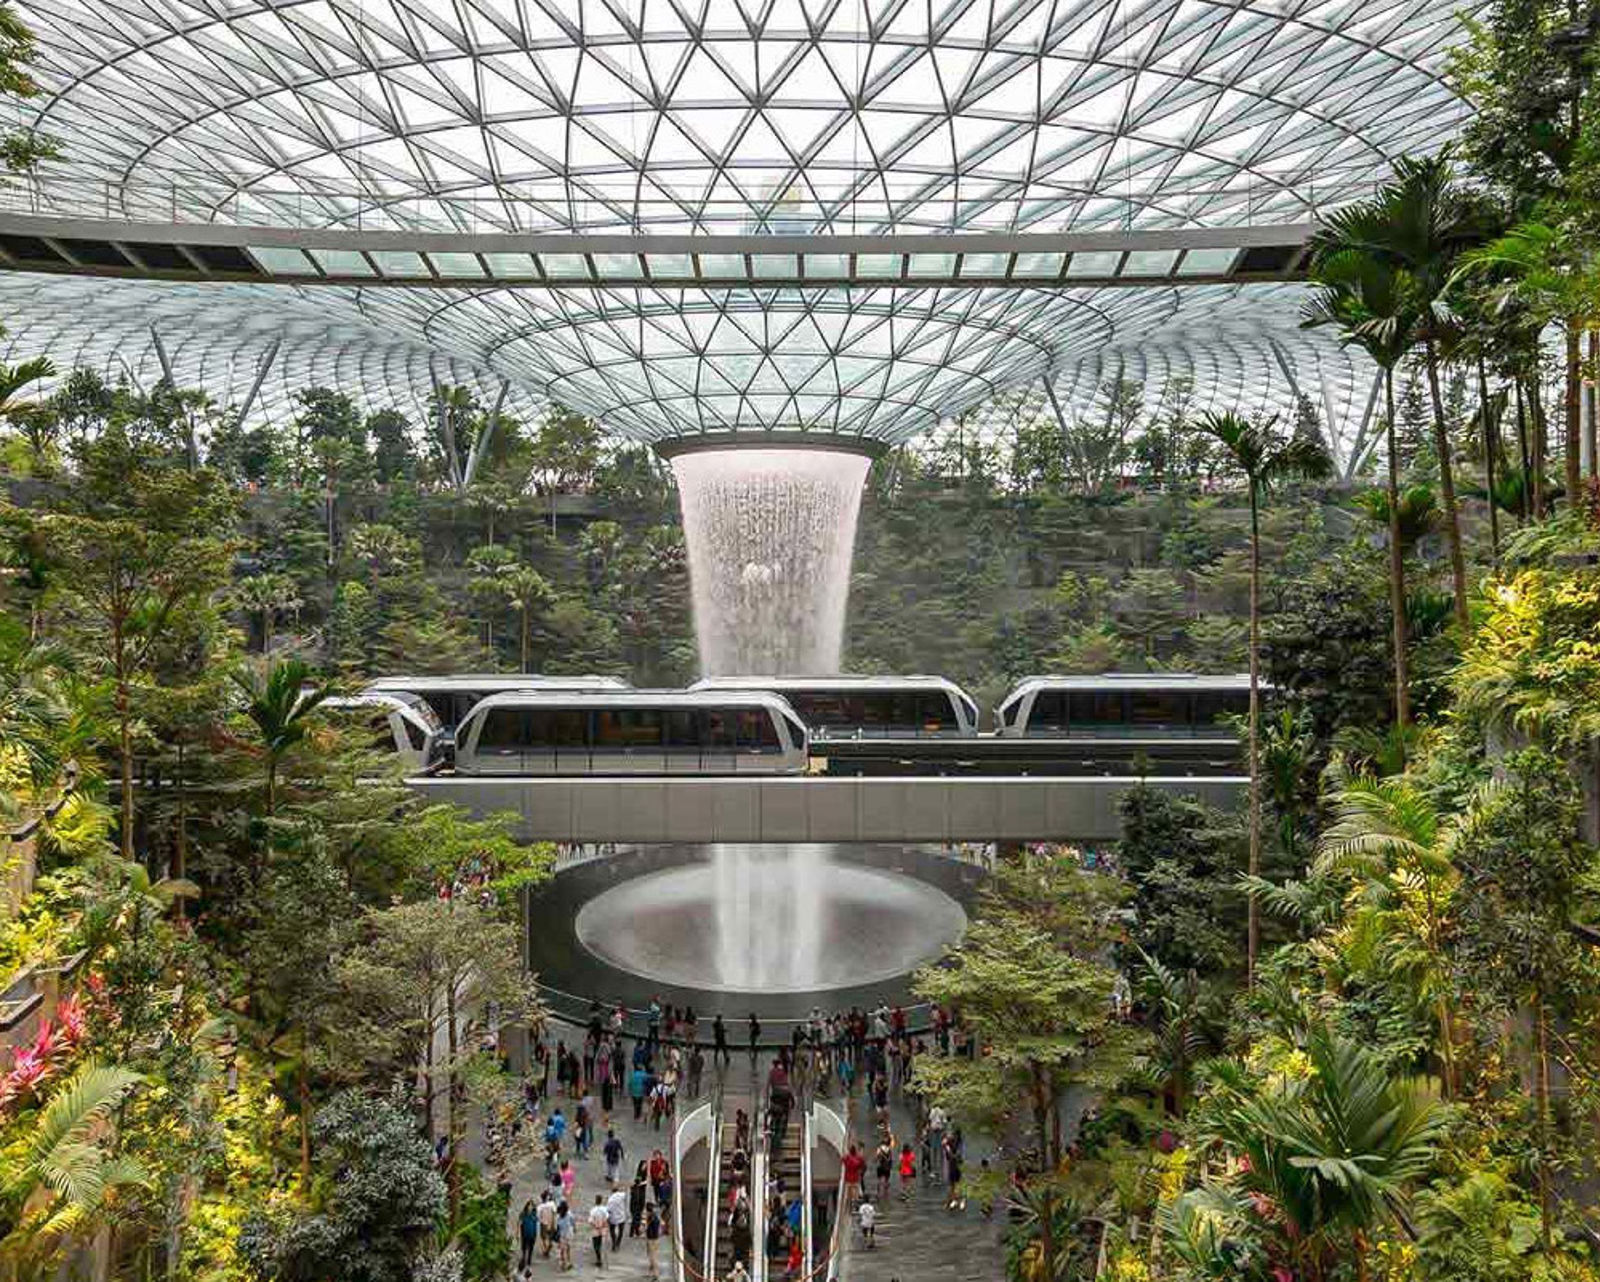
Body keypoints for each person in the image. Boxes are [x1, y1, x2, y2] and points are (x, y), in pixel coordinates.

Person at [518, 1198, 539, 1273]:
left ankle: (529, 1261)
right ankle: (523, 1258)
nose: (530, 1207)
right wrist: (517, 1233)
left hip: (532, 1234)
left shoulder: (534, 1215)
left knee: (531, 1248)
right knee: (524, 1247)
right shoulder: (523, 1214)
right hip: (524, 1233)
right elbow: (519, 1223)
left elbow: (536, 1224)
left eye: (532, 1206)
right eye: (529, 1206)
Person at [842, 1143, 866, 1208]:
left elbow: (843, 1160)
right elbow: (862, 1164)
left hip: (848, 1177)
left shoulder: (847, 1158)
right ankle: (855, 1202)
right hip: (855, 1177)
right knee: (855, 1191)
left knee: (849, 1192)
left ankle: (849, 1203)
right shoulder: (858, 1159)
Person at [537, 1188, 559, 1259]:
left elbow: (538, 1217)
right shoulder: (552, 1204)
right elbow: (555, 1213)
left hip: (544, 1223)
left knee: (544, 1237)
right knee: (550, 1237)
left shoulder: (540, 1207)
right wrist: (555, 1223)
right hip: (551, 1223)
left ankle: (546, 1249)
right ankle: (547, 1248)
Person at [588, 1194, 609, 1268]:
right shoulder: (604, 1209)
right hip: (602, 1228)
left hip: (595, 1229)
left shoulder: (593, 1210)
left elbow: (590, 1221)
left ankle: (598, 1257)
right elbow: (606, 1218)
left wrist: (595, 1225)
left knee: (595, 1244)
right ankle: (599, 1256)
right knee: (599, 1242)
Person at [629, 1162, 649, 1236]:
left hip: (638, 1202)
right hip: (637, 1204)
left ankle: (634, 1231)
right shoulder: (636, 1189)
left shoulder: (635, 1189)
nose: (645, 1167)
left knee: (636, 1218)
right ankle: (635, 1231)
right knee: (636, 1218)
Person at [606, 1184, 628, 1250]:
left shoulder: (610, 1200)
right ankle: (618, 1243)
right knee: (621, 1231)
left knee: (612, 1231)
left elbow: (608, 1210)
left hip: (613, 1218)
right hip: (621, 1216)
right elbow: (625, 1193)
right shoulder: (621, 1195)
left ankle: (614, 1242)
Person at [644, 1202, 663, 1278]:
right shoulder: (655, 1217)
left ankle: (656, 1274)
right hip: (655, 1238)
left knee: (652, 1257)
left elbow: (647, 1228)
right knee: (651, 1255)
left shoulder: (651, 1218)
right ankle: (651, 1272)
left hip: (651, 1239)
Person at [556, 1199, 575, 1271]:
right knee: (568, 1248)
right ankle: (568, 1261)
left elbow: (558, 1226)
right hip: (569, 1233)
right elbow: (573, 1223)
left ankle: (564, 1263)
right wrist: (574, 1229)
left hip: (562, 1234)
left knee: (562, 1249)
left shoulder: (559, 1216)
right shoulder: (569, 1214)